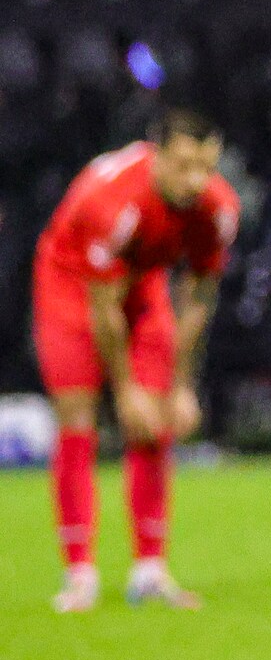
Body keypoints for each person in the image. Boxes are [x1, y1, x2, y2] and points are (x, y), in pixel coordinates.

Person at [31, 108, 239, 612]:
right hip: (72, 286)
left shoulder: (219, 208)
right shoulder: (110, 202)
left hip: (143, 285)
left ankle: (150, 571)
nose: (196, 181)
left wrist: (181, 386)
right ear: (156, 155)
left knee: (155, 423)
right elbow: (104, 310)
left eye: (206, 167)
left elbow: (198, 298)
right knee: (79, 421)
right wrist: (125, 390)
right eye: (184, 165)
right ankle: (79, 572)